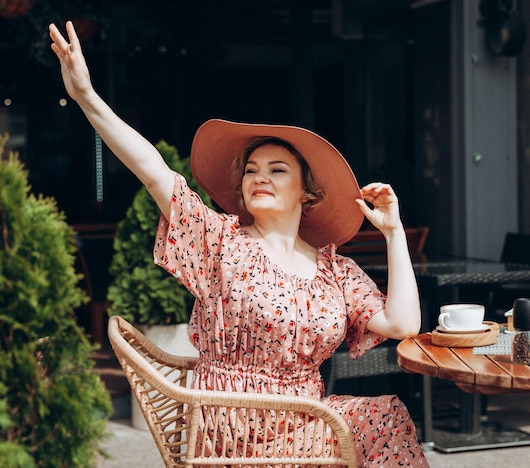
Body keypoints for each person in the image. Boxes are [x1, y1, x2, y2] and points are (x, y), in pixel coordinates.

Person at [50, 21, 429, 467]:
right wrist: (87, 98)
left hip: (307, 428)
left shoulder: (334, 270)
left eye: (277, 169)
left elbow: (403, 324)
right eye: (251, 170)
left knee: (386, 416)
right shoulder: (221, 242)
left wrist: (393, 232)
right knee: (378, 422)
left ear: (307, 193)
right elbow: (154, 171)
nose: (260, 176)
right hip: (232, 428)